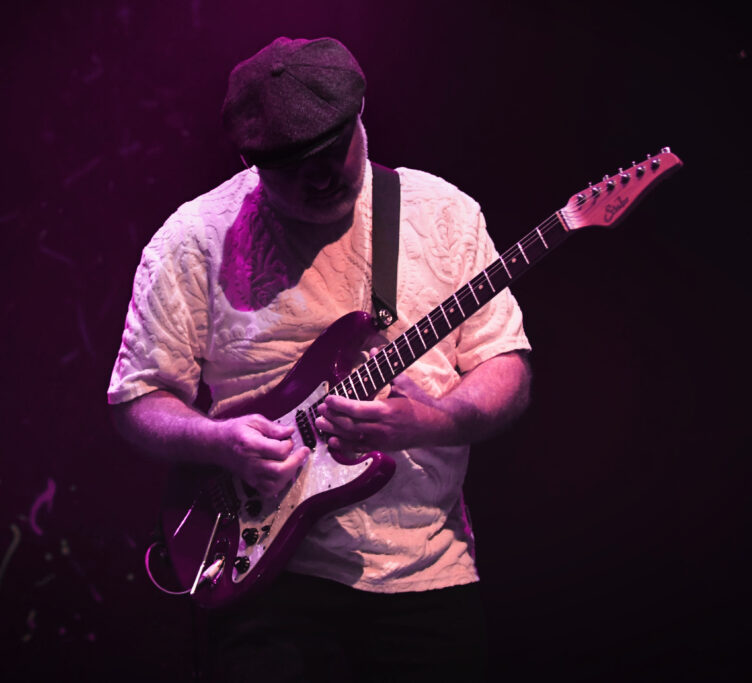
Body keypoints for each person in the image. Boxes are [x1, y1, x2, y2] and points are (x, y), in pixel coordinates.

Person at [108, 36, 531, 682]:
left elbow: (505, 365)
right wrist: (220, 441)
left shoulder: (444, 214)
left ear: (361, 118)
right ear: (251, 161)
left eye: (336, 152)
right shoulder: (194, 239)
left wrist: (431, 421)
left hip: (428, 574)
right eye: (296, 168)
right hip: (265, 585)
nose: (323, 177)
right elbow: (137, 397)